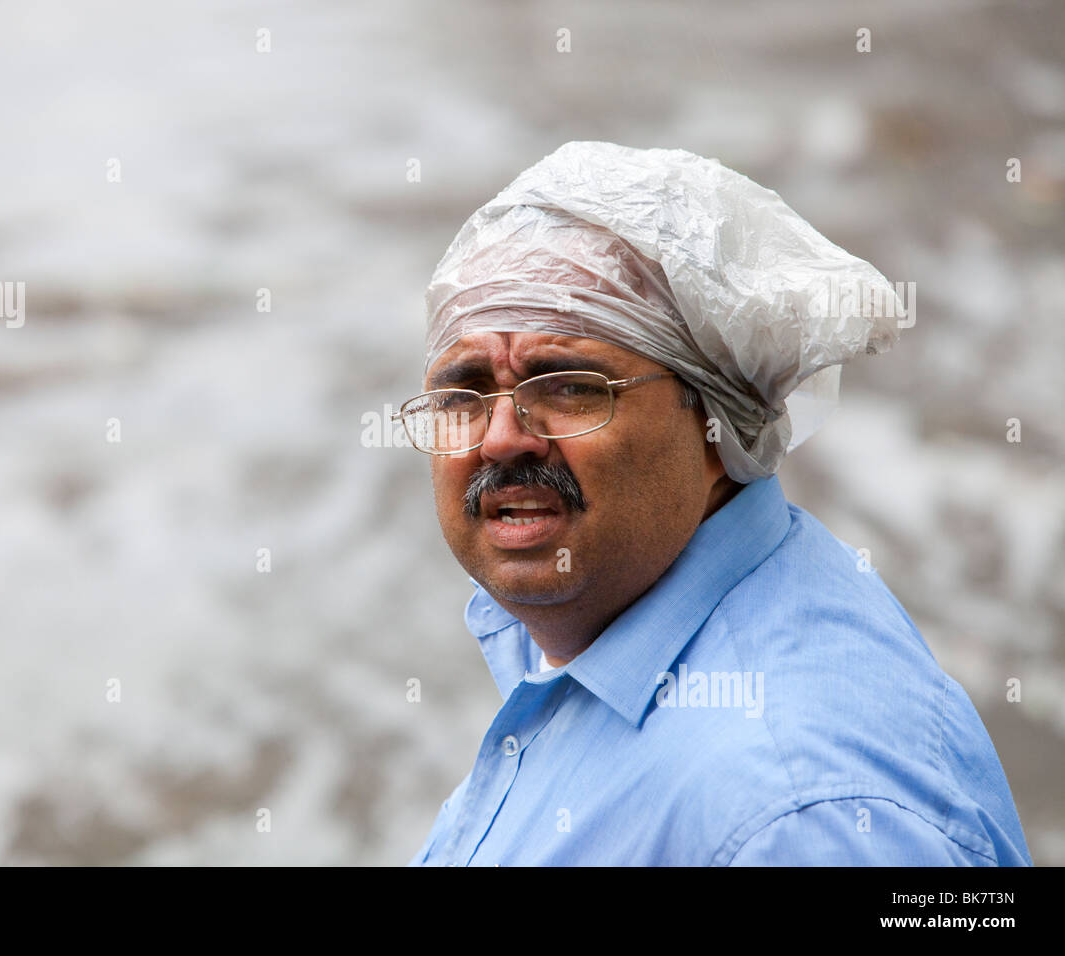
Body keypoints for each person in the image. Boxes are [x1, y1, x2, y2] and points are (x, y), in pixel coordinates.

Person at [399, 142, 1031, 866]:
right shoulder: (595, 643)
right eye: (464, 393)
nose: (502, 437)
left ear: (715, 418)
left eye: (570, 386)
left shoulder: (800, 815)